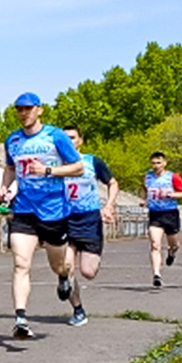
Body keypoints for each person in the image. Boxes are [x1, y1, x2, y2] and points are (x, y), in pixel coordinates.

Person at [0, 93, 84, 339]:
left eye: (28, 109)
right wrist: (5, 187)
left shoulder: (55, 136)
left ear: (39, 110)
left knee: (59, 265)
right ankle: (21, 319)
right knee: (20, 263)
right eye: (19, 109)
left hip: (54, 210)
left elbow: (78, 167)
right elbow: (11, 168)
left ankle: (64, 277)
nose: (23, 113)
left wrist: (48, 170)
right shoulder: (12, 140)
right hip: (24, 210)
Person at [55, 126, 117, 327]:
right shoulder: (55, 165)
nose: (69, 141)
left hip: (89, 220)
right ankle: (78, 309)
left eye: (72, 137)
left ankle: (75, 271)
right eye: (65, 138)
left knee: (88, 272)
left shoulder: (92, 162)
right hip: (64, 219)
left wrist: (108, 205)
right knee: (65, 266)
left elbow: (113, 183)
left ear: (80, 140)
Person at [142, 152, 182, 289]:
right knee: (155, 244)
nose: (155, 166)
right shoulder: (148, 176)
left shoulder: (172, 177)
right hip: (155, 214)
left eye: (158, 163)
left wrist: (169, 194)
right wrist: (145, 200)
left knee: (175, 244)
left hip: (170, 214)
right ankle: (157, 275)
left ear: (164, 163)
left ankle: (172, 252)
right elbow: (144, 189)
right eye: (153, 163)